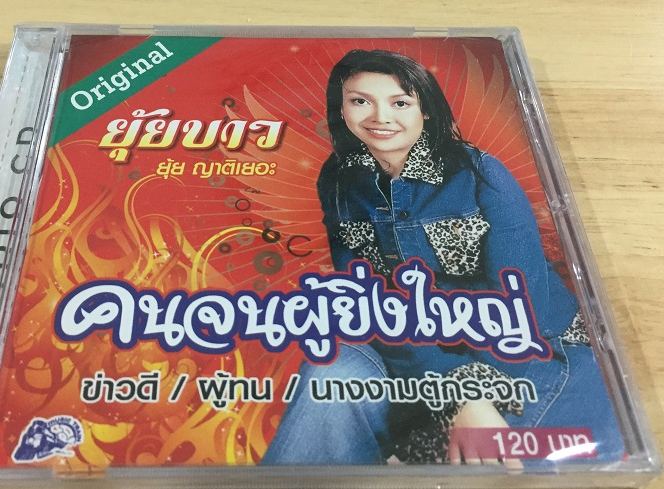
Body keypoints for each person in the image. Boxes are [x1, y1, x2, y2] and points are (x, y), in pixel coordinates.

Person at [261, 49, 624, 466]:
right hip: (410, 347)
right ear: (341, 108)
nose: (380, 117)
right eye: (360, 100)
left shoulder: (481, 174)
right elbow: (367, 302)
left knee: (490, 463)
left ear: (426, 110)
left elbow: (525, 309)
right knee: (329, 372)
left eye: (400, 103)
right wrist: (450, 388)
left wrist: (466, 395)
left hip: (527, 345)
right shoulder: (339, 179)